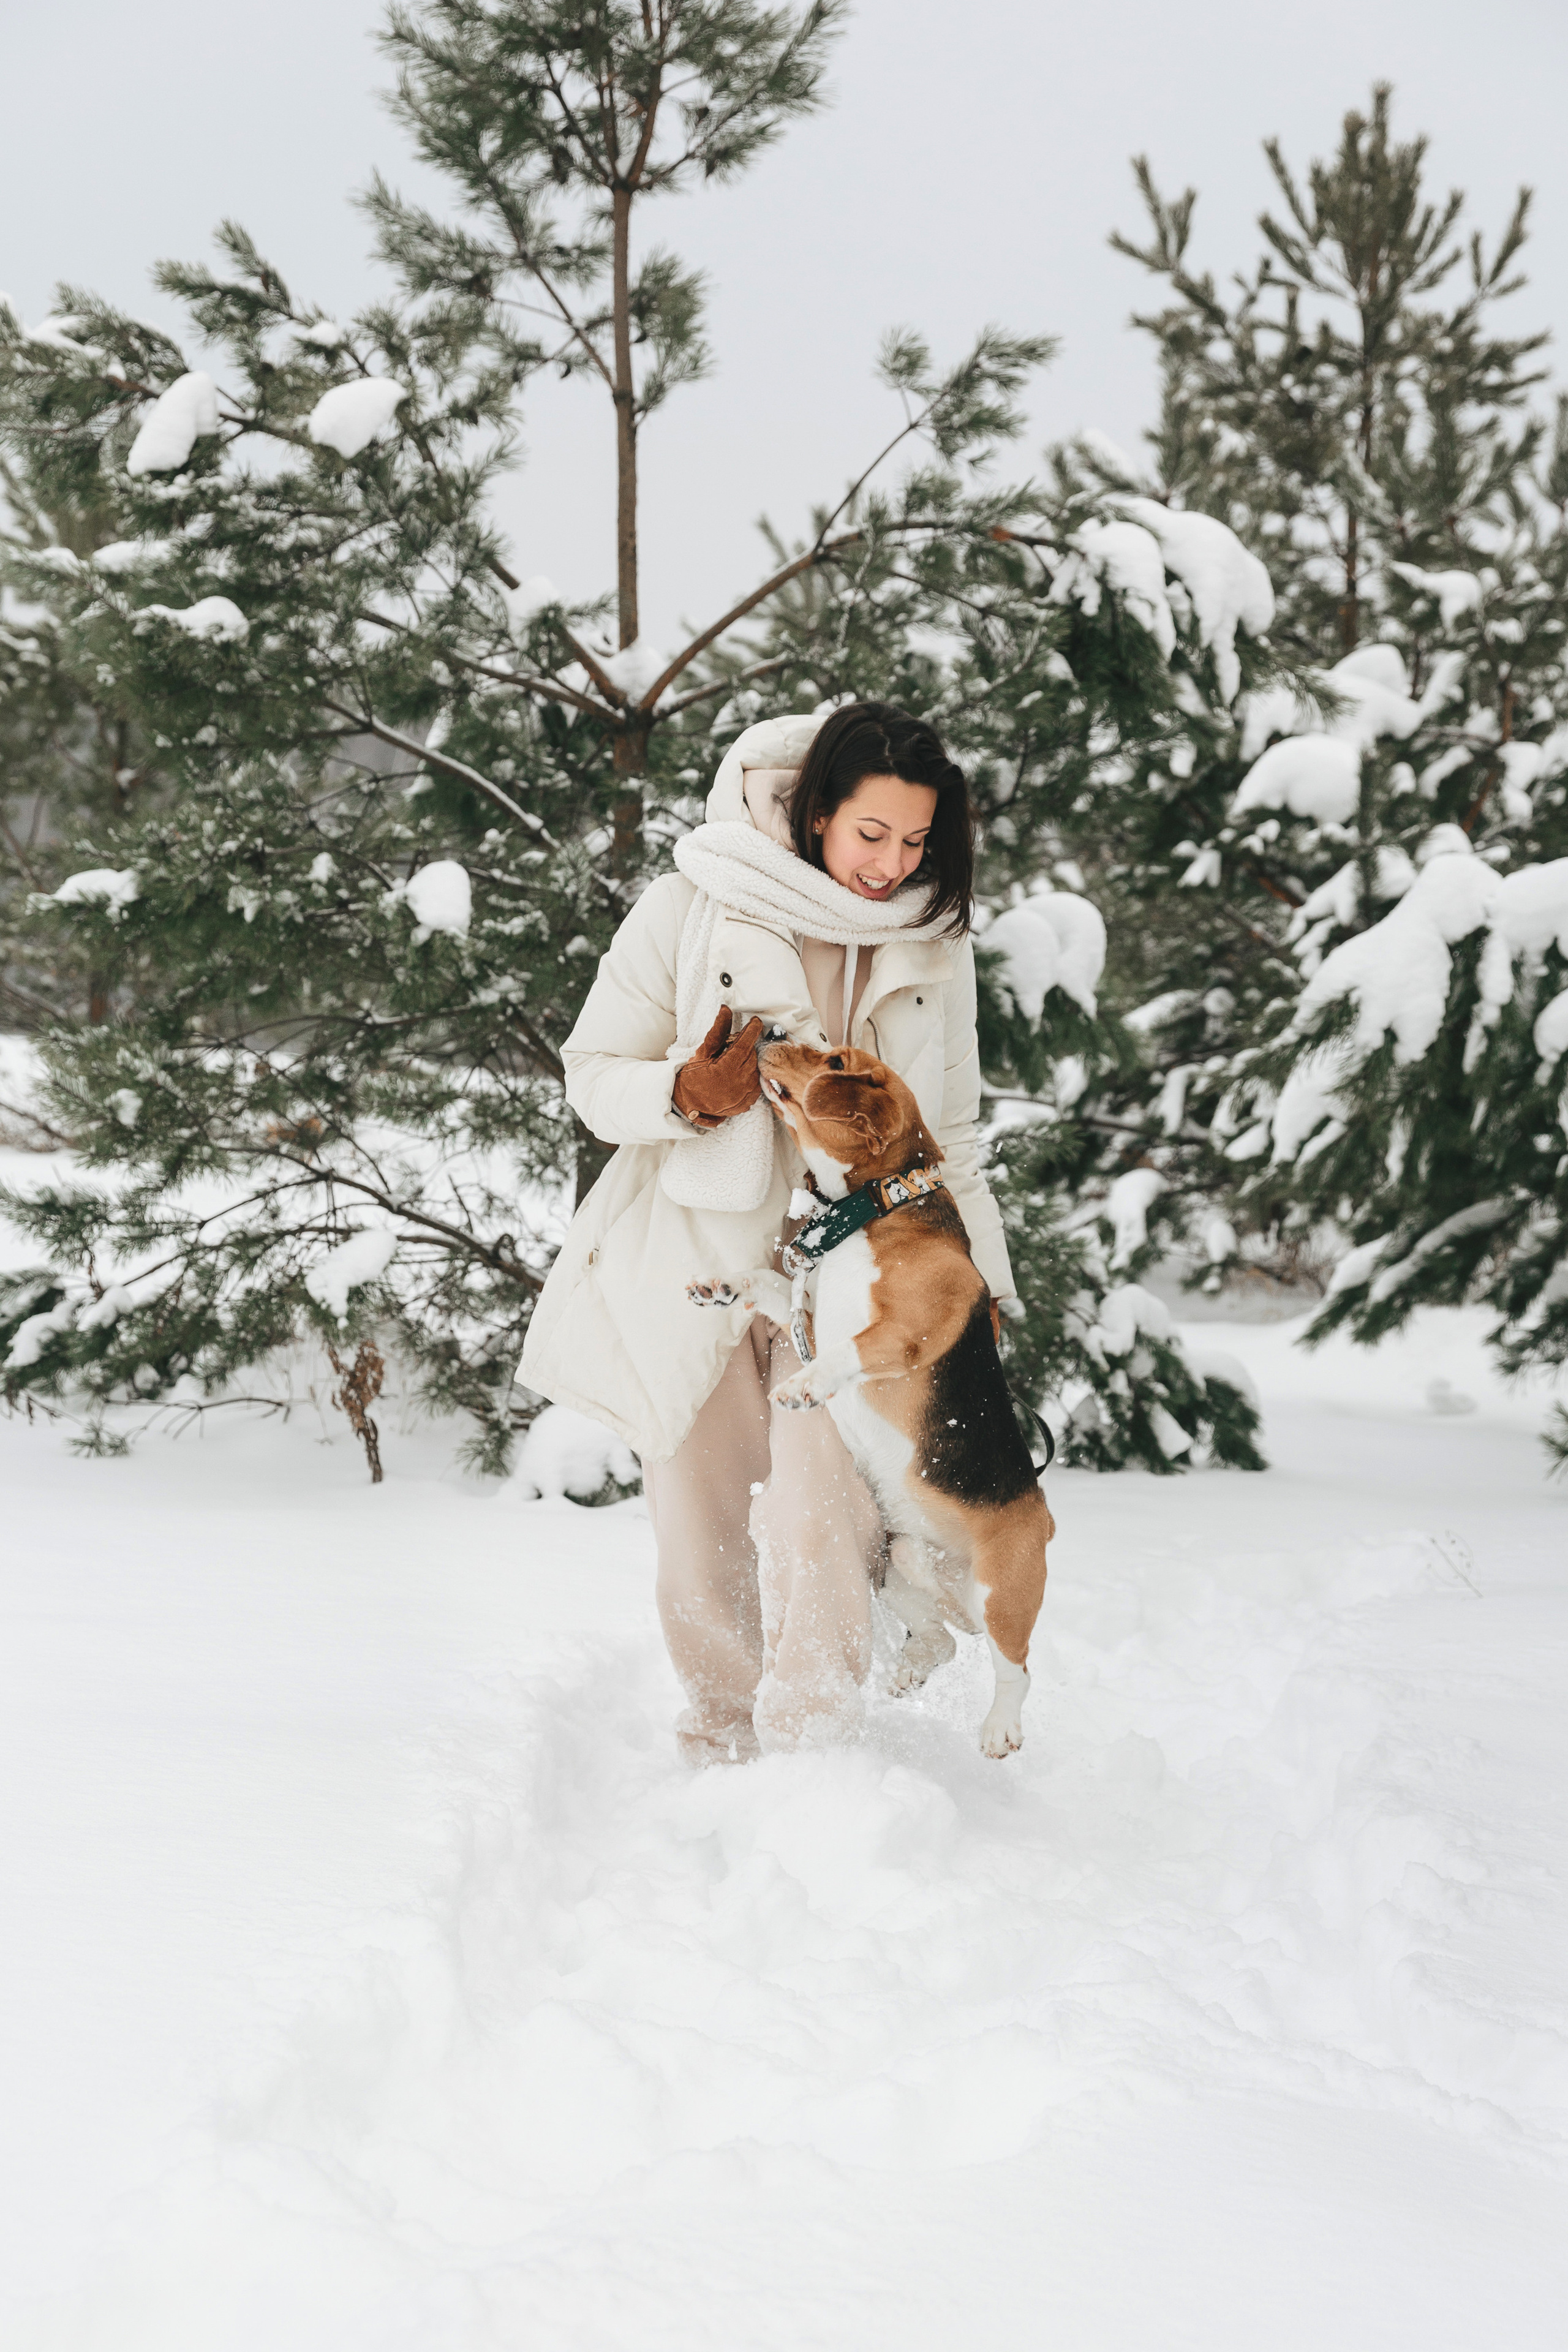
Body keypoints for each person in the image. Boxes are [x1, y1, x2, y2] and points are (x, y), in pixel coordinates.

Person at [519, 703, 1014, 1761]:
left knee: (820, 1517)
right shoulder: (695, 903)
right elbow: (593, 1072)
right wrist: (687, 1096)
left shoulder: (935, 942)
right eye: (870, 834)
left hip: (852, 1284)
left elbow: (956, 1136)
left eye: (917, 841)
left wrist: (984, 1295)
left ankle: (810, 1755)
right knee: (701, 1534)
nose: (892, 865)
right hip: (698, 1256)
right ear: (813, 811)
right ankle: (722, 1745)